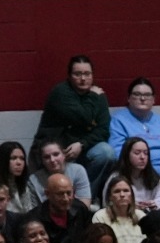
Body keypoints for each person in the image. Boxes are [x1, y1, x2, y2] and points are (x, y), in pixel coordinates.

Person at [34, 54, 113, 184]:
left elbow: (103, 130)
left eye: (87, 74)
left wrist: (82, 144)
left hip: (81, 148)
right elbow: (85, 117)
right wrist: (93, 96)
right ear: (70, 76)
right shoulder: (61, 93)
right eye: (78, 74)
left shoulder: (99, 96)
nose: (83, 78)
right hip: (58, 149)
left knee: (106, 152)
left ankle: (86, 198)